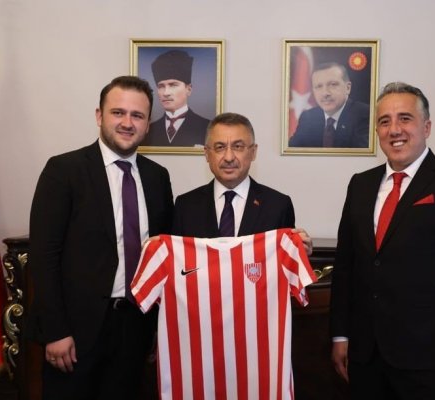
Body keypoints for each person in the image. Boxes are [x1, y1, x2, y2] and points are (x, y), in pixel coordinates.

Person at [329, 82, 435, 400]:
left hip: (431, 363)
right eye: (384, 121)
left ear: (426, 127)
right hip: (366, 359)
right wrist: (340, 335)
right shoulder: (360, 185)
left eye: (405, 118)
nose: (394, 130)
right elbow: (346, 268)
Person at [28, 75, 174, 400]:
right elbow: (44, 256)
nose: (127, 123)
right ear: (99, 116)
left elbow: (165, 253)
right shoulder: (64, 171)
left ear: (147, 125)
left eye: (137, 115)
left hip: (135, 329)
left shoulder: (157, 177)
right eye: (118, 112)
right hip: (74, 333)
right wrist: (56, 331)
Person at [172, 112, 311, 253]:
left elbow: (286, 261)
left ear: (253, 152)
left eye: (238, 146)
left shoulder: (278, 206)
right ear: (207, 154)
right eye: (220, 147)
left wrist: (300, 250)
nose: (229, 157)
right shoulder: (185, 206)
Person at [289, 62, 370, 148]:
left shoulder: (365, 115)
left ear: (348, 88)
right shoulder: (308, 117)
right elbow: (292, 150)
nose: (325, 93)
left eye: (333, 84)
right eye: (319, 86)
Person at [141, 49, 210, 147]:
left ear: (188, 89)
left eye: (173, 85)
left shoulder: (207, 127)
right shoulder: (148, 130)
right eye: (161, 86)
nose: (166, 93)